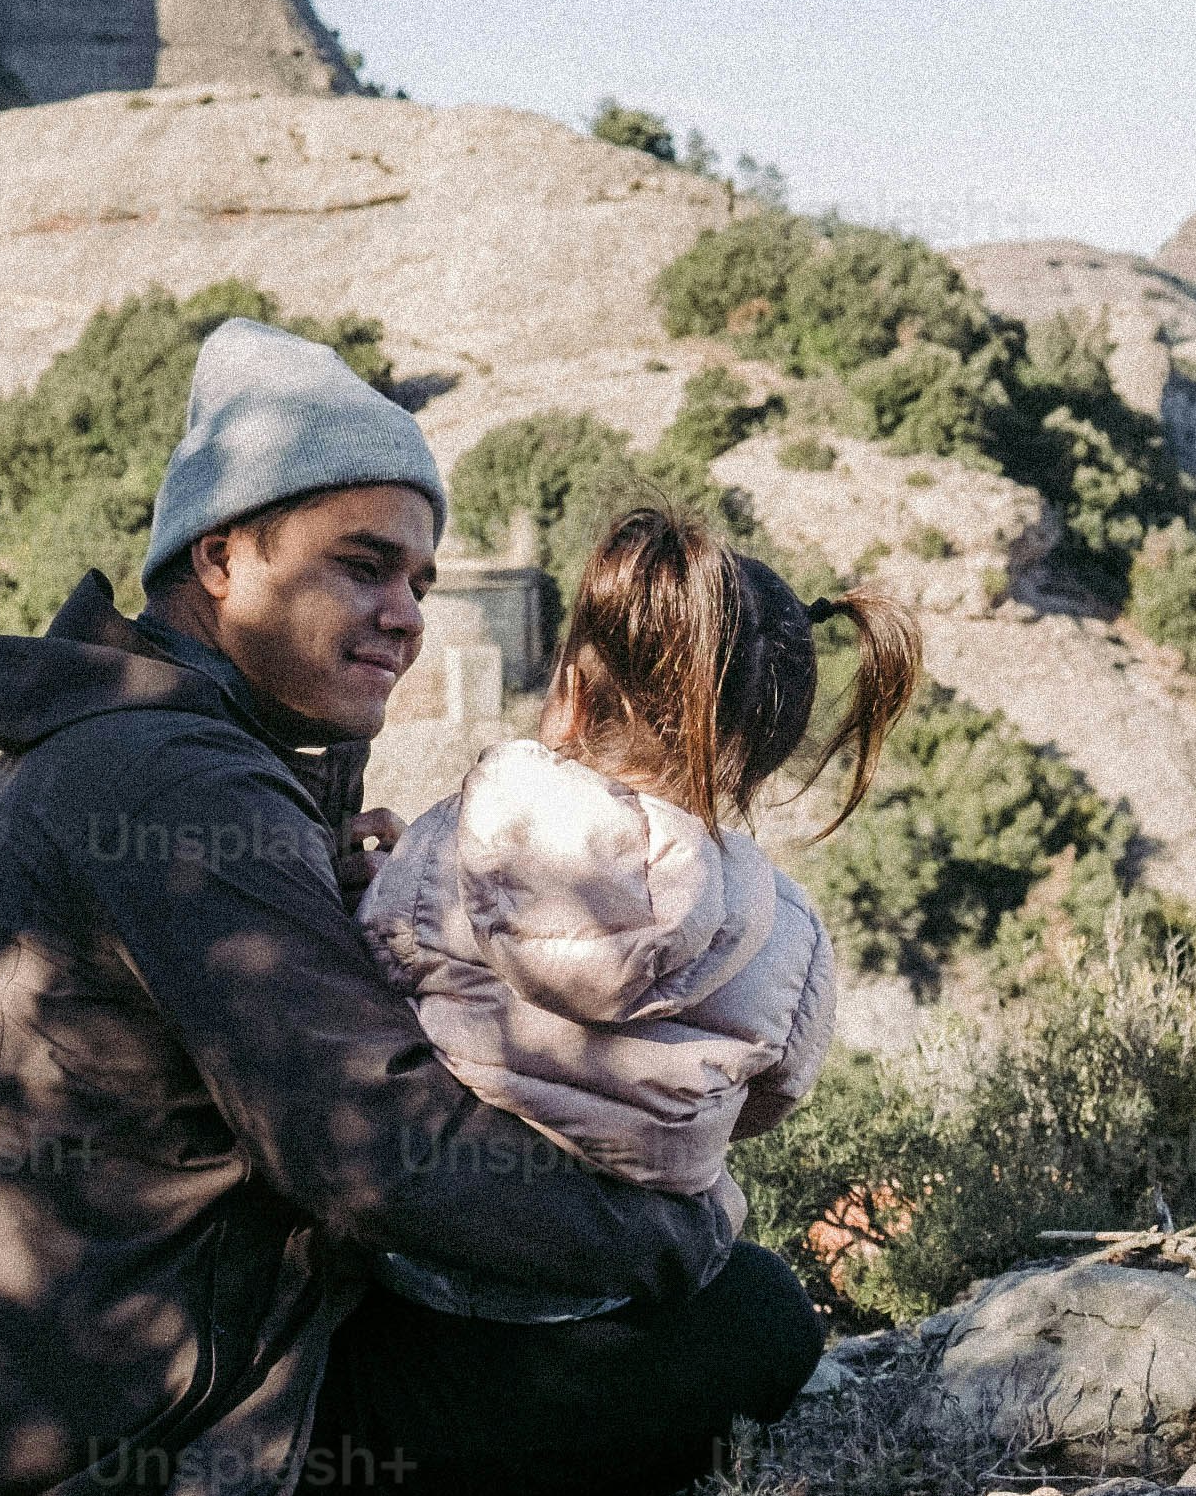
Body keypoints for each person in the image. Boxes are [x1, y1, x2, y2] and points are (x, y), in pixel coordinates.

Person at [0, 319, 823, 1496]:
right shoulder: (176, 784)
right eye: (363, 566)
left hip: (6, 1421)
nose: (404, 617)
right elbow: (380, 1151)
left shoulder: (129, 745)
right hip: (117, 1464)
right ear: (222, 559)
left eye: (420, 584)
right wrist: (675, 1225)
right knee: (750, 1317)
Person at [351, 510, 919, 1330]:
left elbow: (378, 965)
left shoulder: (477, 825)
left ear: (574, 691)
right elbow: (766, 1101)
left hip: (427, 1268)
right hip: (618, 1286)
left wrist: (394, 876)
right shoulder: (790, 929)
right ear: (762, 749)